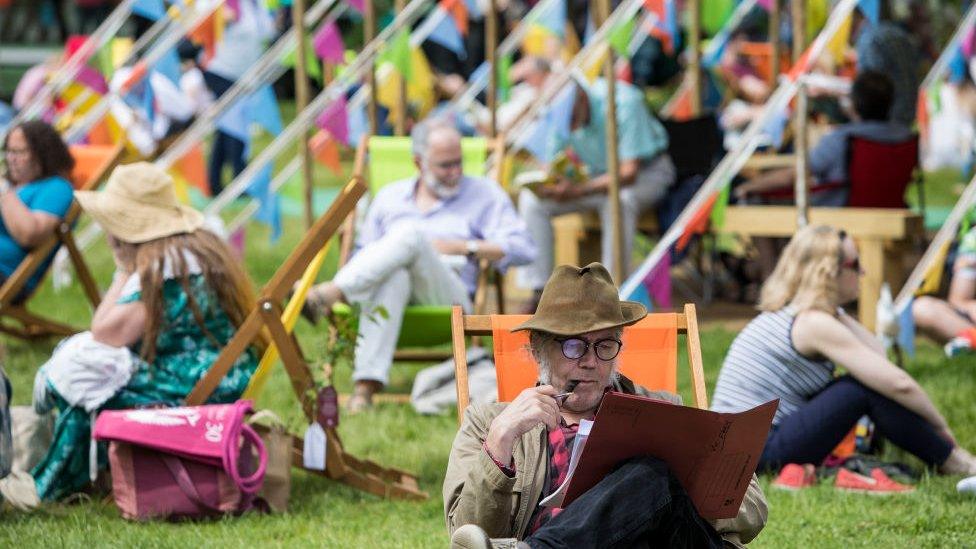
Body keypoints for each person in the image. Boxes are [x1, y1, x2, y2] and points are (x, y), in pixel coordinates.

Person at [444, 263, 767, 548]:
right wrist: (500, 443)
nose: (590, 362)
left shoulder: (663, 411)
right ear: (538, 348)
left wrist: (676, 483)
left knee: (649, 474)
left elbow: (753, 510)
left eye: (605, 345)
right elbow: (468, 533)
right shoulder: (490, 423)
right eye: (574, 346)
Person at [30, 162, 262, 501]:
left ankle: (48, 487)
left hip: (199, 387)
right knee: (92, 374)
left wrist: (124, 269)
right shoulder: (193, 250)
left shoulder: (163, 268)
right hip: (224, 374)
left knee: (89, 395)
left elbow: (106, 331)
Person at [711, 225, 976, 490]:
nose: (863, 272)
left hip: (744, 448)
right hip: (751, 455)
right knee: (859, 389)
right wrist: (942, 429)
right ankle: (956, 462)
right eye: (855, 262)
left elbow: (878, 356)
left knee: (865, 383)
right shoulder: (812, 323)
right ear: (829, 272)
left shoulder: (803, 313)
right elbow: (897, 383)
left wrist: (835, 309)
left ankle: (947, 460)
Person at [302, 117, 535, 412]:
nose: (456, 172)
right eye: (445, 166)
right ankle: (366, 387)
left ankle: (330, 293)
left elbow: (525, 248)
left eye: (459, 163)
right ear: (418, 162)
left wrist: (464, 246)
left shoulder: (483, 194)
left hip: (448, 294)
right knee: (396, 273)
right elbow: (363, 254)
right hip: (388, 290)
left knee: (410, 234)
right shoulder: (389, 198)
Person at [517, 78, 676, 304]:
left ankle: (610, 291)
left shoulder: (625, 102)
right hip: (595, 176)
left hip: (645, 174)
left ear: (582, 99)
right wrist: (548, 184)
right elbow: (549, 161)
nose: (570, 128)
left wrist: (579, 190)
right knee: (531, 200)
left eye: (571, 120)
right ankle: (540, 291)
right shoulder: (560, 109)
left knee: (619, 201)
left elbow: (629, 171)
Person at [735, 70, 912, 206]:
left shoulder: (844, 138)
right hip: (891, 206)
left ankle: (774, 255)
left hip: (840, 206)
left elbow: (797, 174)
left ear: (854, 103)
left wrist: (750, 187)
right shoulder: (905, 136)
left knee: (756, 200)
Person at [203, 0, 275, 194]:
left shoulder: (258, 6)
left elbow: (267, 32)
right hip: (222, 72)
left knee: (227, 129)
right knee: (235, 128)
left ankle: (214, 182)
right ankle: (238, 179)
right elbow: (206, 25)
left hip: (244, 77)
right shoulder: (227, 3)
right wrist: (222, 19)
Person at [0, 120, 76, 293]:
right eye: (9, 151)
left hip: (8, 274)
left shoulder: (56, 187)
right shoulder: (15, 187)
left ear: (43, 153)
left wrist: (4, 191)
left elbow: (31, 234)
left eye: (19, 152)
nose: (11, 158)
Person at [912, 225, 976, 356]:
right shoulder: (973, 240)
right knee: (922, 308)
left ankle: (968, 340)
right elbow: (959, 301)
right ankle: (970, 339)